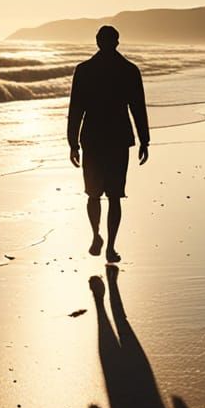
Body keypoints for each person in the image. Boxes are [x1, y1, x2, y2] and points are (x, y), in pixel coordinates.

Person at [67, 25, 150, 263]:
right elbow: (138, 108)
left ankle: (97, 237)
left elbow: (76, 110)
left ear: (97, 42)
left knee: (93, 195)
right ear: (117, 42)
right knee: (114, 195)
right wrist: (144, 140)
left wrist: (73, 143)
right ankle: (110, 247)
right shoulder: (129, 70)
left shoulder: (84, 70)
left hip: (93, 139)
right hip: (117, 139)